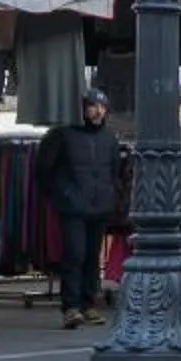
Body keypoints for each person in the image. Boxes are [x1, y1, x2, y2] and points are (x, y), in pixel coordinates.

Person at [39, 91, 127, 329]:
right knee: (74, 255)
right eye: (92, 106)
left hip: (100, 206)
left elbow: (114, 171)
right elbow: (44, 169)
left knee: (91, 258)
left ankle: (89, 304)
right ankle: (71, 307)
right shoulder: (62, 134)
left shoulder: (109, 138)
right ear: (82, 109)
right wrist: (62, 195)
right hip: (73, 206)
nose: (98, 111)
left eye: (102, 106)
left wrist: (112, 195)